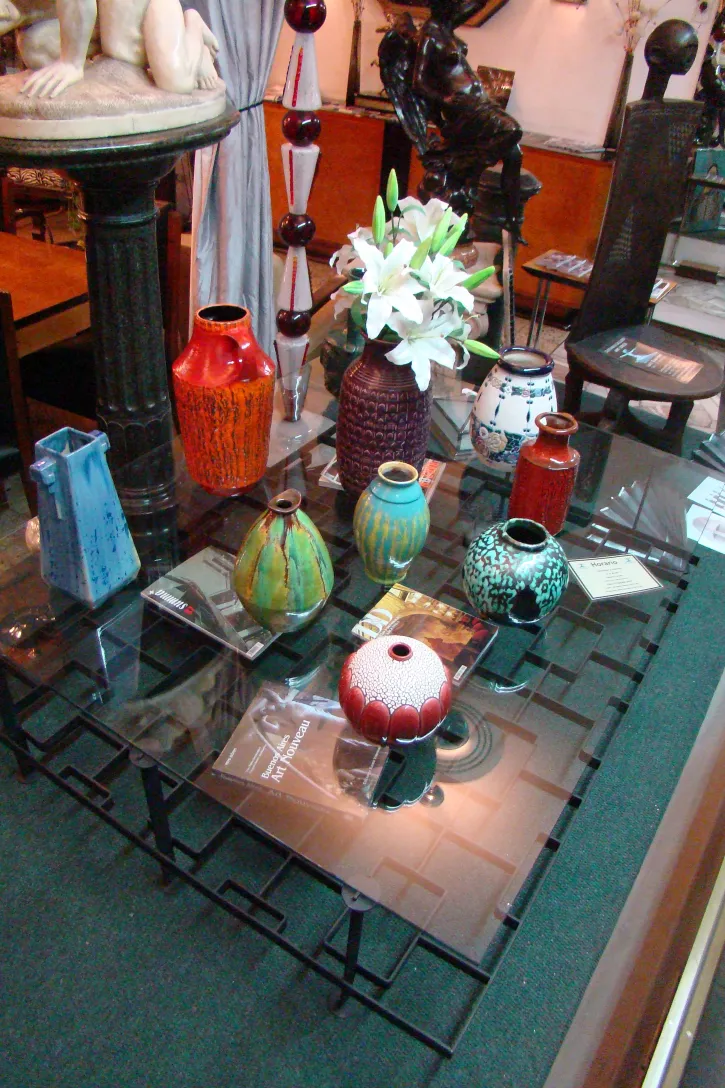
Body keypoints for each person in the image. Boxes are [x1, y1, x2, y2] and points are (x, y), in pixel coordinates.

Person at [0, 0, 219, 100]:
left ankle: (193, 25)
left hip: (140, 9)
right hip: (97, 18)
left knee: (176, 82)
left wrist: (71, 63)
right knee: (34, 47)